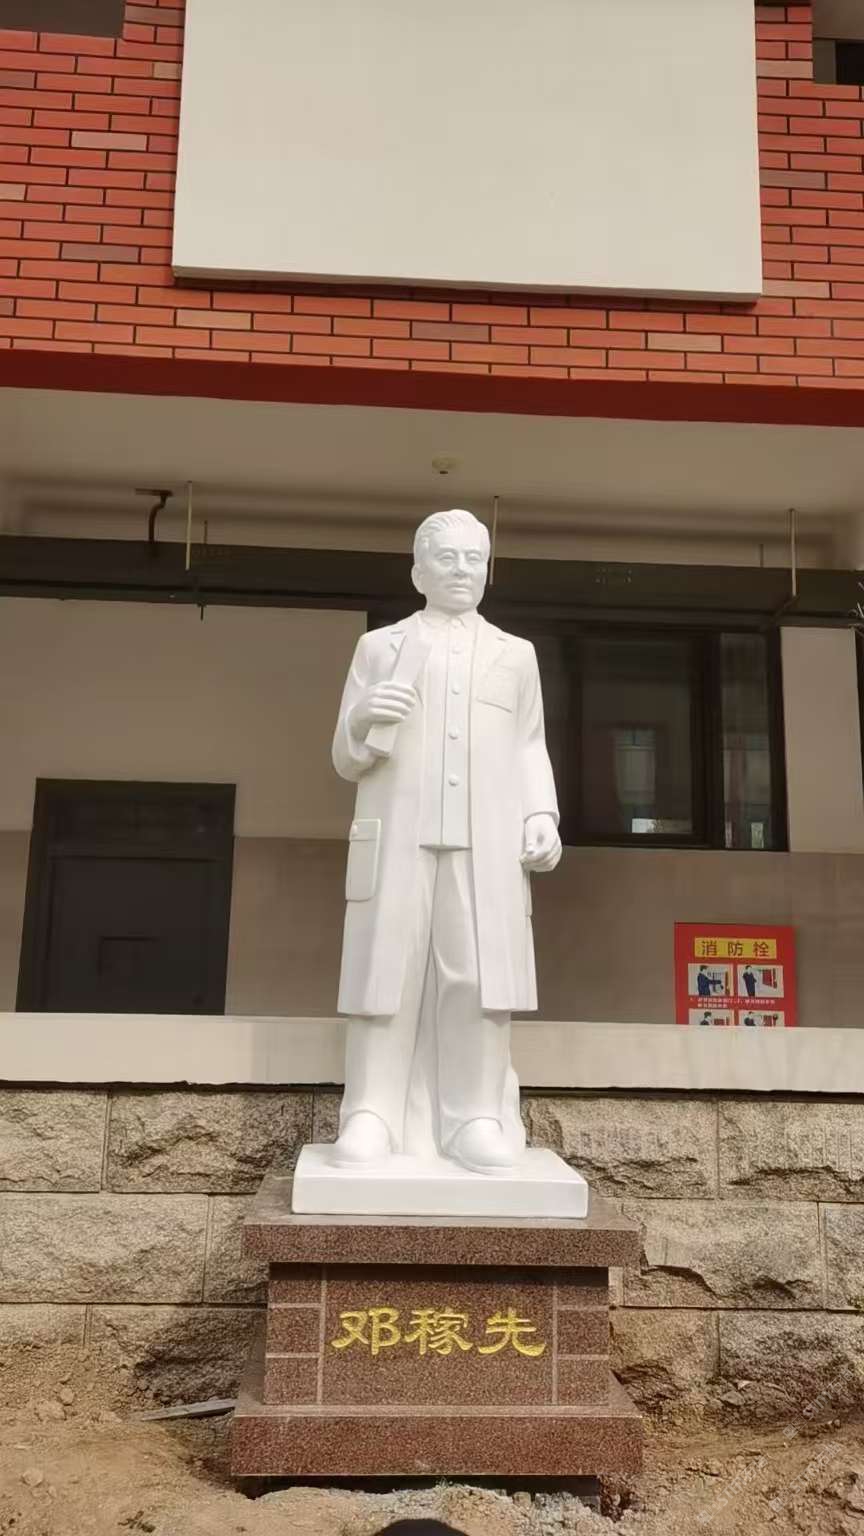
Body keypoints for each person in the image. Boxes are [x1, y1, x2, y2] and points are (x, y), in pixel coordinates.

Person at [329, 508, 561, 1174]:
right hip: (400, 834)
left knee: (478, 976)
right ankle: (371, 1112)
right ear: (418, 571)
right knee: (387, 971)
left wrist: (540, 813)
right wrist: (362, 719)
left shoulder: (516, 655)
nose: (462, 570)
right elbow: (345, 757)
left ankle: (473, 1115)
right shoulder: (381, 648)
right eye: (447, 558)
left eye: (474, 559)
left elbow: (529, 743)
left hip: (484, 843)